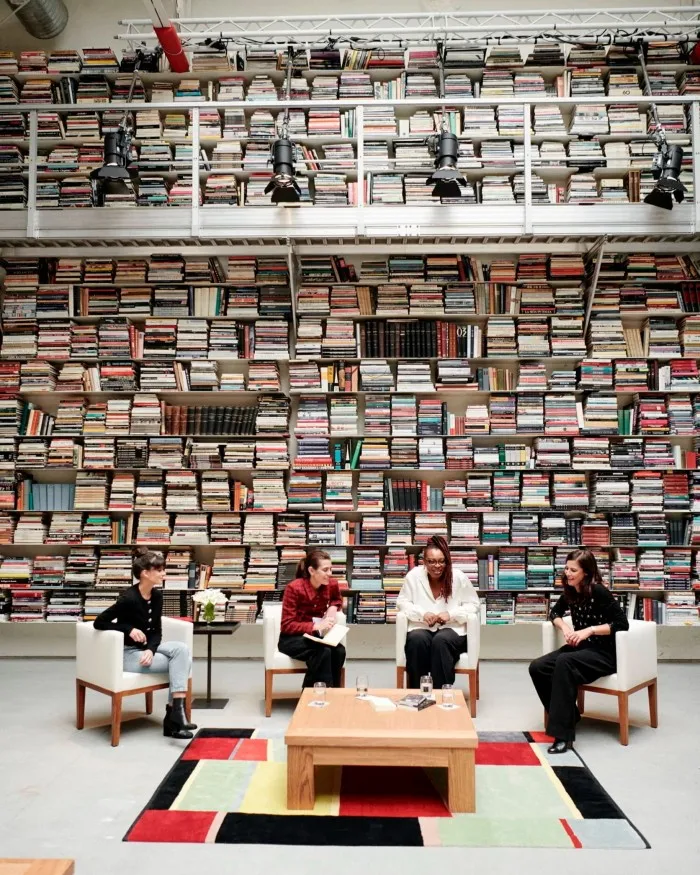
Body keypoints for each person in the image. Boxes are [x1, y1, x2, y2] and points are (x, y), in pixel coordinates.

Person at [529, 548, 629, 754]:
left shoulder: (598, 591)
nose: (568, 573)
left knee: (564, 662)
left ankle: (563, 736)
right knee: (538, 667)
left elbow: (621, 624)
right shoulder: (571, 591)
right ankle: (570, 715)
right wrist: (565, 628)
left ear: (586, 573)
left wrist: (589, 631)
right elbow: (554, 613)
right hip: (581, 650)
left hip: (603, 653)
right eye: (566, 568)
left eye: (573, 570)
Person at [94, 548, 196, 740]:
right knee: (183, 663)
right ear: (145, 573)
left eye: (163, 569)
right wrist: (128, 629)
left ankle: (175, 717)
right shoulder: (128, 598)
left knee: (181, 650)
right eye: (159, 570)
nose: (163, 574)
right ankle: (174, 718)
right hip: (129, 654)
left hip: (146, 650)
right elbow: (99, 622)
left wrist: (150, 649)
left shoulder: (157, 596)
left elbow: (157, 631)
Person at [397, 535, 480, 690]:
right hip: (422, 627)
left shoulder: (459, 577)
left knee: (441, 641)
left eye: (441, 561)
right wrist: (422, 614)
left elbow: (474, 604)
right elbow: (402, 602)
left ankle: (441, 694)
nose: (437, 566)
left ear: (447, 561)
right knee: (416, 640)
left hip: (453, 630)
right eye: (432, 561)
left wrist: (452, 614)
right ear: (424, 561)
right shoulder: (413, 576)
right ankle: (417, 693)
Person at [278, 549, 346, 688]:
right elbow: (286, 625)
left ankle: (332, 692)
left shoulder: (331, 584)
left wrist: (333, 608)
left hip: (315, 638)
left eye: (331, 569)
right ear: (311, 570)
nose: (330, 574)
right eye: (325, 570)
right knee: (323, 652)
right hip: (292, 639)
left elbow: (336, 599)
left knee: (339, 651)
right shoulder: (294, 588)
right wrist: (315, 627)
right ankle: (315, 696)